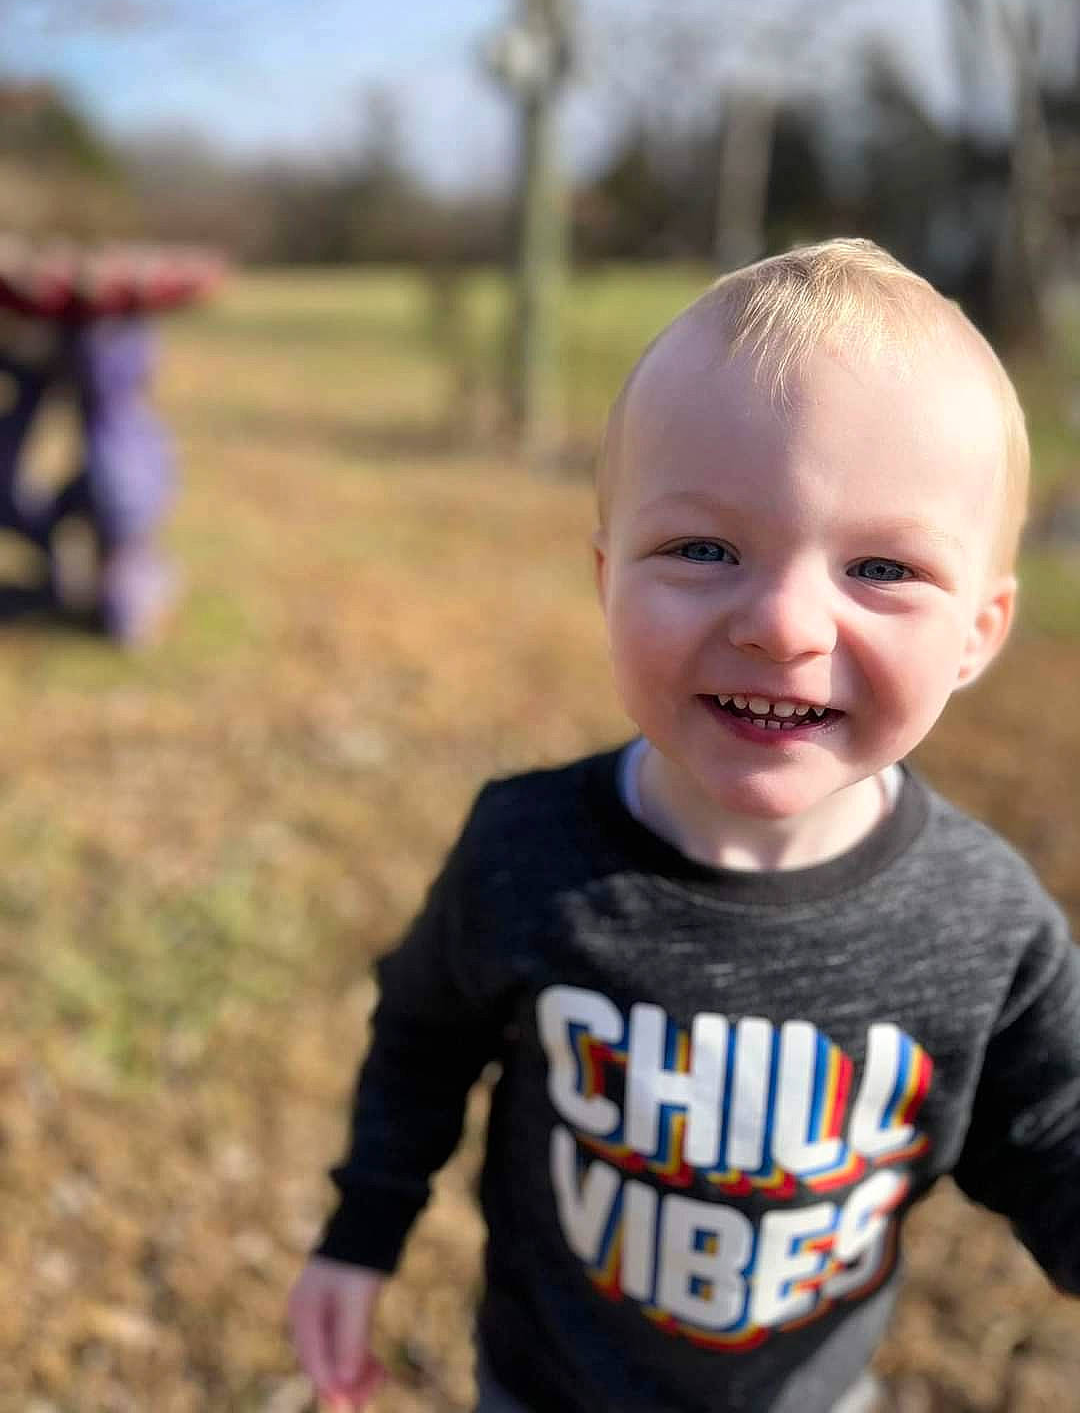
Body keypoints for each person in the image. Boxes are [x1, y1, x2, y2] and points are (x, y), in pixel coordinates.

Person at [288, 238, 1080, 1412]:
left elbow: (1052, 1136)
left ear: (977, 631)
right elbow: (422, 1037)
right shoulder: (527, 851)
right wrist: (363, 1230)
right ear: (607, 578)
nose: (782, 624)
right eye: (704, 549)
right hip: (543, 1385)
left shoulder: (981, 922)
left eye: (881, 567)